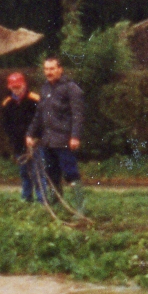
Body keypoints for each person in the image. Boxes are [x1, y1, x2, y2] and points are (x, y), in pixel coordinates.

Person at [27, 55, 86, 209]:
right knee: (51, 174)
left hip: (64, 140)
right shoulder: (45, 88)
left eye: (52, 69)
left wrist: (75, 136)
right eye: (46, 69)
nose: (49, 72)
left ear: (60, 69)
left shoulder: (71, 88)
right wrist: (30, 134)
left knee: (70, 173)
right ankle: (56, 206)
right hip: (47, 141)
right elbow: (39, 114)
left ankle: (80, 207)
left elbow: (78, 115)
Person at [1, 71, 42, 203]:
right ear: (9, 87)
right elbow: (6, 125)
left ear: (24, 85)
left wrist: (35, 137)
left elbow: (41, 121)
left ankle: (42, 200)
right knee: (24, 173)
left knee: (38, 173)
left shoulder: (35, 99)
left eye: (18, 86)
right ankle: (26, 198)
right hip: (19, 144)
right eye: (14, 87)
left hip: (35, 143)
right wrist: (13, 140)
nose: (16, 89)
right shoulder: (7, 103)